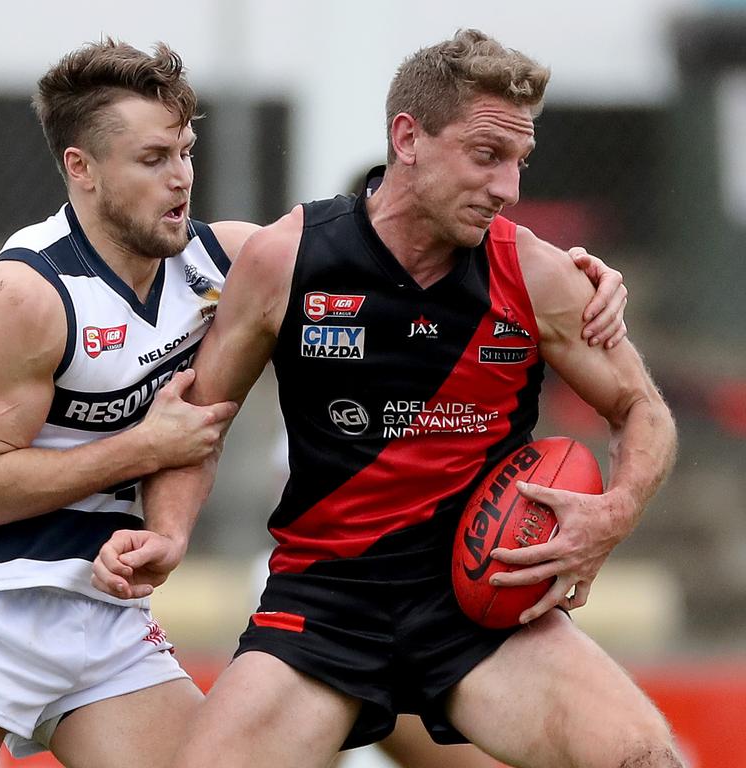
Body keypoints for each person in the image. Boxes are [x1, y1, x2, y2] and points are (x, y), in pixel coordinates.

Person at [0, 37, 627, 768]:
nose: (181, 178)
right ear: (81, 168)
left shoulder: (224, 258)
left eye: (186, 153)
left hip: (107, 620)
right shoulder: (27, 291)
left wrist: (580, 278)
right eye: (153, 159)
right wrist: (143, 448)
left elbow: (365, 250)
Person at [94, 28, 681, 768]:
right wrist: (171, 532)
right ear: (408, 137)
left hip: (483, 609)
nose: (509, 188)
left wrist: (615, 512)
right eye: (486, 156)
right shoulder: (288, 259)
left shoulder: (540, 276)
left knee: (645, 760)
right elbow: (200, 418)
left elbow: (644, 409)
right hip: (325, 605)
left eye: (519, 162)